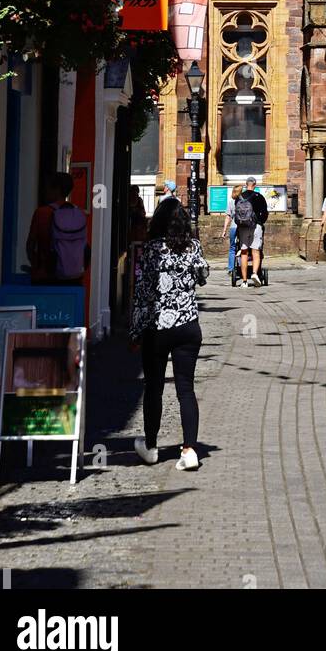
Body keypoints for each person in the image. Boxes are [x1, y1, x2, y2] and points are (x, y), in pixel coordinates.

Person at [131, 194, 208, 472]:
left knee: (153, 387)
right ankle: (189, 450)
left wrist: (135, 332)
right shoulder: (194, 247)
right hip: (188, 326)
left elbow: (142, 294)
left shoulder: (151, 250)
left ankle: (151, 447)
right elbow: (202, 276)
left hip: (158, 328)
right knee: (186, 389)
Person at [26, 172, 89, 285]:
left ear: (57, 190)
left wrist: (35, 266)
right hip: (74, 279)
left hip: (45, 277)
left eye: (48, 187)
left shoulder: (41, 213)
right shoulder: (79, 214)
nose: (45, 191)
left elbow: (30, 245)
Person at [234, 179, 268, 287]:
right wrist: (260, 222)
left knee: (244, 252)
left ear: (246, 184)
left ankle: (244, 281)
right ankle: (254, 274)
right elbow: (265, 213)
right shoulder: (258, 196)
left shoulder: (239, 197)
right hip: (256, 226)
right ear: (254, 185)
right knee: (255, 251)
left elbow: (236, 212)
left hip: (243, 227)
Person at [223, 184, 243, 277]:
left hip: (233, 227)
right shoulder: (244, 202)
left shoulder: (231, 202)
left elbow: (228, 217)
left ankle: (231, 269)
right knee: (244, 248)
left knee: (232, 248)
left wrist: (224, 230)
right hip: (243, 227)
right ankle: (243, 267)